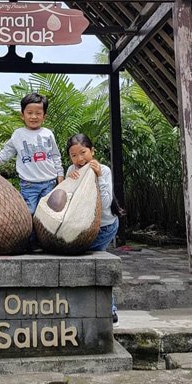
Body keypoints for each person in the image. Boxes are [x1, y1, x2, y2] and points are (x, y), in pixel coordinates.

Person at [66, 133, 123, 327]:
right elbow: (69, 201)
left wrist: (99, 176)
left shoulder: (103, 170)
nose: (80, 159)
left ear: (92, 151)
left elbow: (106, 203)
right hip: (84, 226)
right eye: (74, 155)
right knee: (92, 263)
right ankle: (104, 309)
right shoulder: (71, 170)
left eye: (83, 153)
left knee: (96, 262)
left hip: (104, 226)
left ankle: (109, 309)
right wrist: (69, 181)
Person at [0, 92, 64, 214]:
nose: (34, 116)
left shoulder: (48, 133)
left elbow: (55, 155)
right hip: (29, 185)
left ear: (44, 117)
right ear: (22, 115)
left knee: (47, 214)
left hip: (49, 182)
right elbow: (5, 154)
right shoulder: (18, 134)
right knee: (29, 213)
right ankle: (30, 234)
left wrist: (60, 174)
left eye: (38, 113)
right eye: (29, 113)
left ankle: (43, 234)